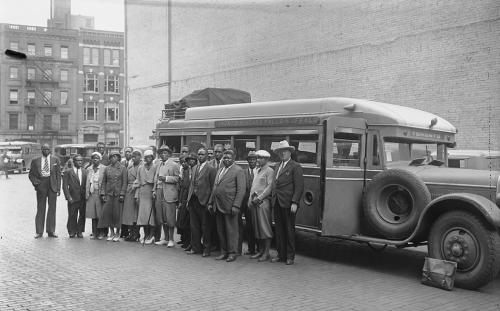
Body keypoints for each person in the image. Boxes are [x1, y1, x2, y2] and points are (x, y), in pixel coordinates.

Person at [208, 150, 245, 262]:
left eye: (228, 158)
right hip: (218, 205)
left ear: (234, 158)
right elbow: (215, 188)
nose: (226, 160)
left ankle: (232, 253)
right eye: (224, 158)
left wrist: (236, 206)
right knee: (221, 230)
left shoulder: (238, 171)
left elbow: (241, 190)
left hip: (230, 206)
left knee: (232, 231)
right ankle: (224, 252)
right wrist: (210, 202)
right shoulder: (220, 170)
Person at [271, 141, 304, 265]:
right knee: (279, 230)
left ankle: (290, 256)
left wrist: (295, 202)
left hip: (288, 202)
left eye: (285, 151)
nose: (282, 153)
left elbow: (299, 186)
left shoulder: (295, 166)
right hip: (278, 201)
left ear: (290, 152)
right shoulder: (277, 165)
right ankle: (281, 255)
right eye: (280, 151)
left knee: (289, 230)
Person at [186, 149, 216, 256]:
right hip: (194, 200)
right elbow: (192, 185)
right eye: (199, 154)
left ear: (207, 156)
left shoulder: (211, 169)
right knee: (194, 226)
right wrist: (188, 200)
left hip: (204, 201)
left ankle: (207, 249)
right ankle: (196, 248)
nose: (200, 156)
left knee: (205, 226)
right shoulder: (194, 168)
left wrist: (210, 202)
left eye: (203, 154)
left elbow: (213, 187)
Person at [29, 143, 61, 238]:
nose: (46, 151)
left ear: (50, 150)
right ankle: (39, 231)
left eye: (48, 149)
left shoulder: (55, 160)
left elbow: (58, 175)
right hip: (41, 184)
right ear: (41, 150)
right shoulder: (36, 160)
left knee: (52, 208)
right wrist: (37, 184)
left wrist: (58, 188)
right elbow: (31, 174)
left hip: (52, 185)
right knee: (41, 208)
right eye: (44, 149)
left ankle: (51, 231)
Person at [249, 150, 274, 261]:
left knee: (265, 227)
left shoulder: (270, 171)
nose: (258, 160)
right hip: (255, 203)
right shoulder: (257, 170)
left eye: (261, 158)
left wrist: (260, 198)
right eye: (258, 158)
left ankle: (267, 253)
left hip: (263, 203)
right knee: (257, 227)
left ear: (267, 159)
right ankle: (260, 251)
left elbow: (269, 187)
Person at [153, 145, 180, 247]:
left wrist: (166, 178)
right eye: (161, 153)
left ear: (169, 154)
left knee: (170, 217)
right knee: (162, 216)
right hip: (159, 191)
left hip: (169, 193)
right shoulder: (158, 165)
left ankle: (171, 239)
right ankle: (165, 238)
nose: (162, 155)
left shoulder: (174, 165)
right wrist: (154, 190)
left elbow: (178, 179)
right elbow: (155, 179)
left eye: (165, 153)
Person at [98, 151, 127, 242]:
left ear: (118, 158)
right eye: (111, 157)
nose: (113, 158)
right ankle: (111, 232)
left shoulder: (122, 168)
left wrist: (122, 193)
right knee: (108, 213)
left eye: (115, 157)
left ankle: (118, 232)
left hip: (118, 194)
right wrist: (103, 193)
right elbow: (104, 182)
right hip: (109, 193)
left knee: (117, 214)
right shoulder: (107, 168)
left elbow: (124, 182)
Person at [135, 150, 157, 244]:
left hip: (150, 192)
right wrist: (136, 195)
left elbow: (156, 181)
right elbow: (137, 181)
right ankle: (145, 235)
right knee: (143, 216)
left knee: (151, 216)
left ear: (152, 158)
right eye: (146, 157)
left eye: (150, 157)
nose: (148, 159)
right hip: (142, 192)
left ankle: (151, 236)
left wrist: (154, 192)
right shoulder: (140, 167)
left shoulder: (156, 167)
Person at [62, 154, 87, 238]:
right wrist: (68, 197)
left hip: (82, 197)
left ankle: (80, 231)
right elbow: (65, 185)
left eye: (81, 160)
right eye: (78, 160)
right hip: (73, 197)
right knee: (72, 214)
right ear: (73, 162)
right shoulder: (68, 172)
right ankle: (72, 231)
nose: (80, 162)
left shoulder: (84, 171)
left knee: (82, 215)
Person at [238, 151, 257, 256]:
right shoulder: (243, 172)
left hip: (253, 202)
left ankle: (254, 249)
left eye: (254, 159)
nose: (252, 161)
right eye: (250, 160)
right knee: (240, 225)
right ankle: (240, 249)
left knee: (252, 226)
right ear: (248, 161)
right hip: (243, 202)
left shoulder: (259, 172)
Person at [85, 152, 106, 240]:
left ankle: (101, 232)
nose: (95, 159)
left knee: (100, 213)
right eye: (93, 158)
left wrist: (104, 193)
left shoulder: (104, 168)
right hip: (91, 193)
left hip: (100, 192)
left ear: (100, 159)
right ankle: (94, 232)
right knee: (93, 214)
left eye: (97, 158)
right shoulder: (89, 169)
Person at [122, 150, 143, 242]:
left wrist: (136, 186)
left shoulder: (143, 166)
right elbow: (125, 179)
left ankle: (136, 233)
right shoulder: (129, 166)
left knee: (136, 213)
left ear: (140, 157)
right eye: (132, 156)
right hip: (129, 190)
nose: (133, 158)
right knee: (129, 213)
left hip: (139, 190)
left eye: (136, 156)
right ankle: (131, 233)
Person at [176, 154, 191, 248]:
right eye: (181, 162)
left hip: (187, 197)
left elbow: (187, 186)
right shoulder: (184, 171)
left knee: (187, 220)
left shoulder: (190, 171)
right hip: (183, 195)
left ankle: (189, 241)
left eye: (185, 161)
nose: (183, 163)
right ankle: (185, 239)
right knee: (182, 219)